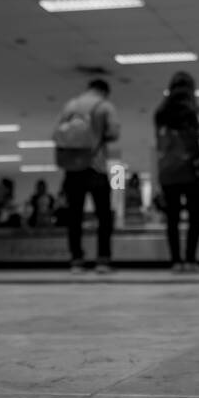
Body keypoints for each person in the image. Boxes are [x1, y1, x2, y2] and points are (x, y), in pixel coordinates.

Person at [54, 78, 120, 274]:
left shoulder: (70, 105)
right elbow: (114, 132)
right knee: (104, 216)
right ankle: (103, 260)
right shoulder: (105, 106)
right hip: (95, 166)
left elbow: (57, 132)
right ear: (105, 91)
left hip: (72, 169)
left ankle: (76, 259)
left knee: (74, 216)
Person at [154, 71, 199, 273]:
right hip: (190, 171)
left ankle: (175, 261)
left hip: (168, 171)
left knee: (172, 218)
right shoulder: (191, 112)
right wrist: (197, 107)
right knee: (194, 217)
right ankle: (190, 259)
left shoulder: (161, 113)